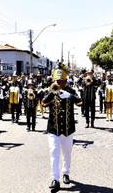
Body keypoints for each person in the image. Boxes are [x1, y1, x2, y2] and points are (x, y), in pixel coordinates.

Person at [42, 62, 82, 190]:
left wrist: (69, 96)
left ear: (66, 81)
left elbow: (80, 102)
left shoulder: (71, 91)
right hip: (53, 128)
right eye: (57, 80)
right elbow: (43, 103)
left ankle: (66, 173)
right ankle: (55, 179)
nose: (59, 83)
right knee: (54, 152)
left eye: (61, 81)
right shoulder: (51, 90)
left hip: (68, 128)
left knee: (67, 153)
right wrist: (53, 93)